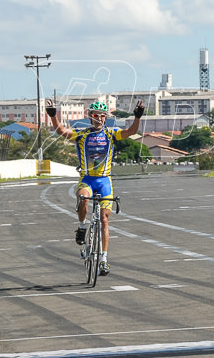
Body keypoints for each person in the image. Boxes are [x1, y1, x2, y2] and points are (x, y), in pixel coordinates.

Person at [47, 97, 144, 276]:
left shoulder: (111, 134)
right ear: (90, 117)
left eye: (101, 116)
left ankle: (104, 259)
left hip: (105, 181)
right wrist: (53, 115)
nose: (98, 118)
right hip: (87, 179)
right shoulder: (82, 134)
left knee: (104, 220)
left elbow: (131, 131)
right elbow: (61, 131)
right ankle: (82, 226)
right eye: (95, 115)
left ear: (105, 118)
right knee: (83, 197)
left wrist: (137, 117)